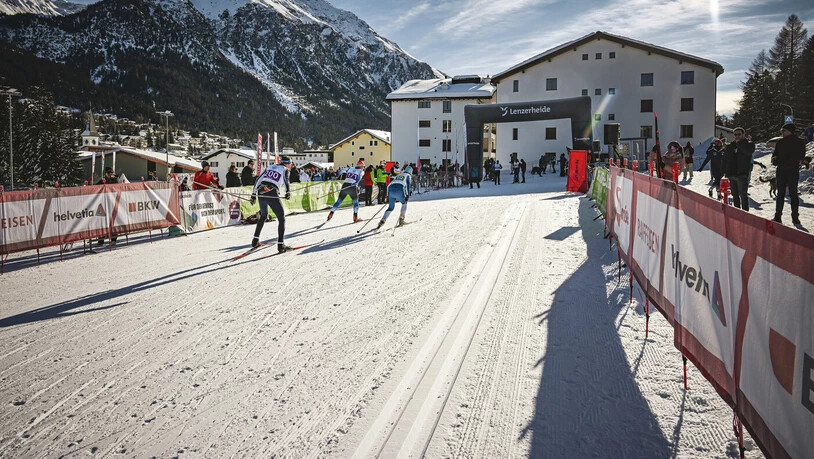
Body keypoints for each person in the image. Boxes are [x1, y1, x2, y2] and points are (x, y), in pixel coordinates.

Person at [249, 156, 294, 253]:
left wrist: (253, 194)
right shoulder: (285, 169)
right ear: (287, 163)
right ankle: (281, 245)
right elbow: (286, 180)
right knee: (281, 218)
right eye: (290, 163)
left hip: (261, 191)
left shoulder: (270, 167)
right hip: (271, 192)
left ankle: (255, 240)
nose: (291, 165)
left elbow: (258, 180)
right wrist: (288, 192)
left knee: (263, 215)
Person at [771, 123, 806, 224]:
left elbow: (800, 156)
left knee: (790, 194)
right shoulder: (781, 142)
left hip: (790, 170)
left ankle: (793, 217)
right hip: (784, 170)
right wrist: (774, 160)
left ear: (790, 131)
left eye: (784, 130)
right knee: (784, 194)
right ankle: (780, 216)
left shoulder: (798, 142)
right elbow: (775, 155)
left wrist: (780, 160)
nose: (782, 132)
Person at [724, 127, 755, 211]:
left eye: (739, 134)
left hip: (742, 174)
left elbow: (748, 152)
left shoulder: (749, 144)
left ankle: (745, 214)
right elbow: (726, 159)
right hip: (732, 173)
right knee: (735, 195)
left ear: (743, 135)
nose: (737, 136)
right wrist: (725, 171)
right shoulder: (731, 146)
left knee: (743, 195)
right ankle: (736, 213)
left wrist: (739, 144)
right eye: (735, 134)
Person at [96, 168, 119, 246]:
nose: (110, 174)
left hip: (112, 203)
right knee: (102, 222)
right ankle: (100, 241)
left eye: (111, 172)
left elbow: (117, 187)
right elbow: (95, 187)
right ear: (106, 173)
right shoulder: (102, 180)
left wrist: (115, 178)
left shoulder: (115, 179)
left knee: (113, 222)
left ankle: (113, 240)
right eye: (108, 173)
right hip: (103, 203)